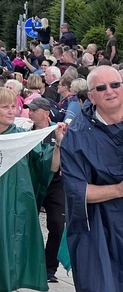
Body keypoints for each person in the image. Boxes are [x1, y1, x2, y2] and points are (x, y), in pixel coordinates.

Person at [0, 87, 65, 292]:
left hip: (18, 207)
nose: (11, 111)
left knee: (14, 256)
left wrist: (58, 144)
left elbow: (48, 166)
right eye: (5, 106)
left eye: (14, 106)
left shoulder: (23, 137)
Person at [61, 65, 123, 290]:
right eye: (101, 87)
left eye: (115, 85)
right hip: (98, 227)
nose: (110, 91)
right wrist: (118, 190)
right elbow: (76, 190)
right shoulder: (77, 135)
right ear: (91, 96)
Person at [26, 97, 65, 283]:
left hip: (56, 183)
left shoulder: (59, 131)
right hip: (34, 182)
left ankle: (50, 267)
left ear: (46, 113)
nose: (30, 112)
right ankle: (31, 263)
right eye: (29, 109)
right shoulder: (25, 133)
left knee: (57, 224)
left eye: (34, 109)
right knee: (29, 224)